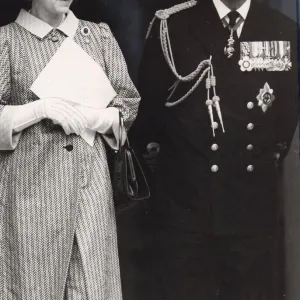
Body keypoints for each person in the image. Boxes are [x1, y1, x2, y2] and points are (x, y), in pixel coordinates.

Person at [131, 0, 299, 299]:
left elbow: (284, 122)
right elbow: (148, 116)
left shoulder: (284, 30)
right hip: (186, 208)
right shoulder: (173, 26)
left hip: (251, 208)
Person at [0, 0, 140, 299]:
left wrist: (93, 117)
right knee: (32, 287)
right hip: (30, 197)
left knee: (92, 287)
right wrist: (39, 109)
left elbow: (127, 104)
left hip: (90, 192)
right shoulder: (7, 41)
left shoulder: (98, 37)